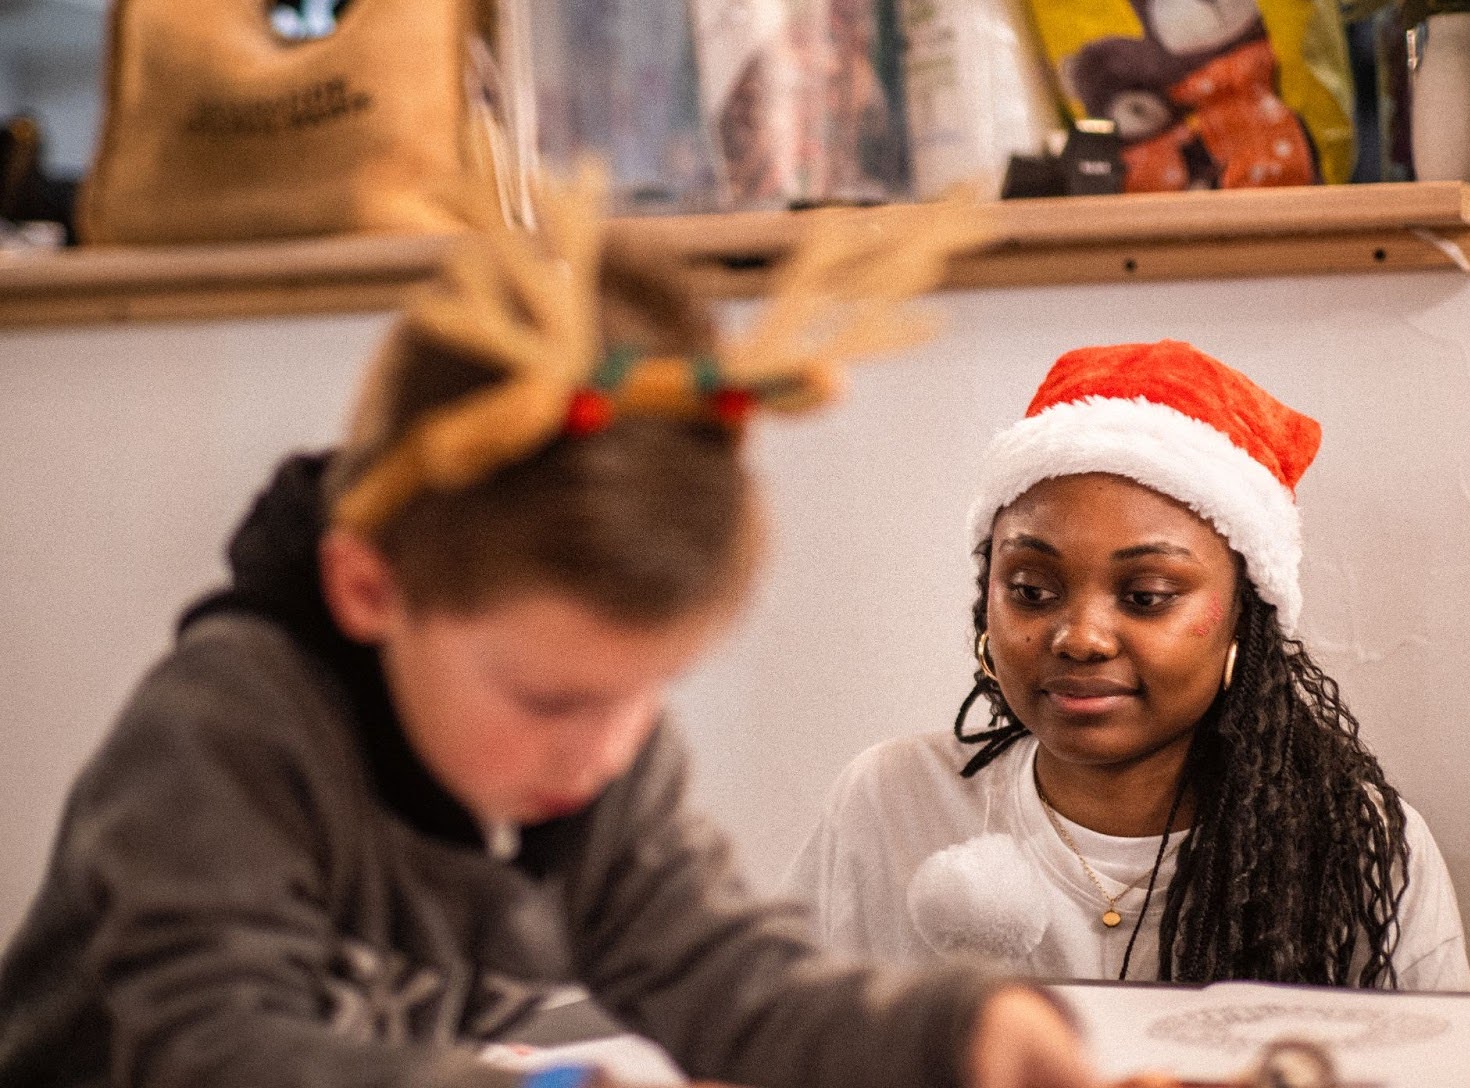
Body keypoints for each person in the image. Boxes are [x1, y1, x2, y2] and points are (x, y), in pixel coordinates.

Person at [0, 181, 1104, 1088]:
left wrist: (946, 1035)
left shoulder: (583, 754)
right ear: (368, 587)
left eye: (650, 688)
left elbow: (718, 970)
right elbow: (215, 1050)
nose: (606, 749)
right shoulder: (225, 730)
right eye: (551, 699)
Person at [787, 340, 1470, 991]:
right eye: (1031, 590)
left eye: (1146, 597)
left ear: (1245, 617)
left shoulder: (1359, 846)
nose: (1080, 638)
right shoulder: (892, 804)